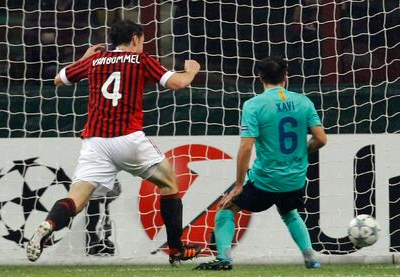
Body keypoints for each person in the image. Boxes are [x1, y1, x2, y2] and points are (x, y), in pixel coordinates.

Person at [26, 19, 201, 265]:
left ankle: (49, 224)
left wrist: (83, 58)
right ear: (135, 39)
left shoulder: (94, 60)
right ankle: (175, 251)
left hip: (95, 142)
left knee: (76, 199)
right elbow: (179, 83)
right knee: (170, 183)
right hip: (128, 139)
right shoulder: (140, 60)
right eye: (142, 41)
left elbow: (58, 79)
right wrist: (192, 69)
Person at [195, 56, 327, 270]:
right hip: (295, 180)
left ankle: (224, 259)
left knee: (226, 210)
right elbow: (321, 139)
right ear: (286, 77)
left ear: (260, 77)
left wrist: (238, 185)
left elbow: (246, 147)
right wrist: (302, 151)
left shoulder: (253, 105)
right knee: (290, 213)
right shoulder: (304, 101)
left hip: (266, 180)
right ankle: (311, 258)